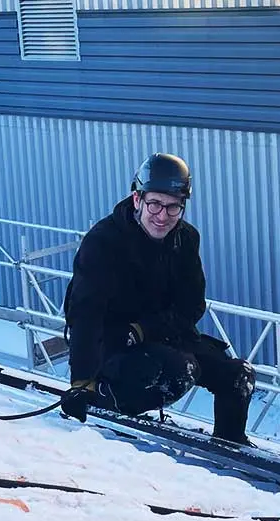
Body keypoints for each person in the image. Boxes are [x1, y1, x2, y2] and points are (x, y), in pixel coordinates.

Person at [59, 153, 254, 445]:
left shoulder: (186, 239)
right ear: (137, 199)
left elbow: (192, 304)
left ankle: (230, 443)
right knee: (180, 371)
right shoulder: (103, 242)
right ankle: (108, 399)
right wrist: (82, 382)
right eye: (155, 204)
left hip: (164, 335)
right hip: (113, 343)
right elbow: (85, 313)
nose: (163, 216)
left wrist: (147, 329)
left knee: (239, 374)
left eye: (173, 207)